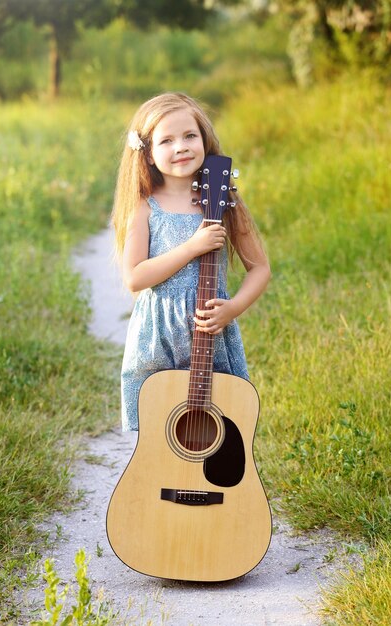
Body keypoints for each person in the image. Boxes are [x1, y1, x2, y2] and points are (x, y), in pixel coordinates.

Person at [111, 92, 270, 432]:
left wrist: (233, 308)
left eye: (189, 136)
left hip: (212, 338)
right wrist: (192, 247)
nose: (180, 146)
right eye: (166, 140)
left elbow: (260, 268)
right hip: (158, 339)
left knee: (219, 431)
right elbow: (135, 278)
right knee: (159, 435)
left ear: (204, 139)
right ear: (149, 154)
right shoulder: (144, 207)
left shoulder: (223, 199)